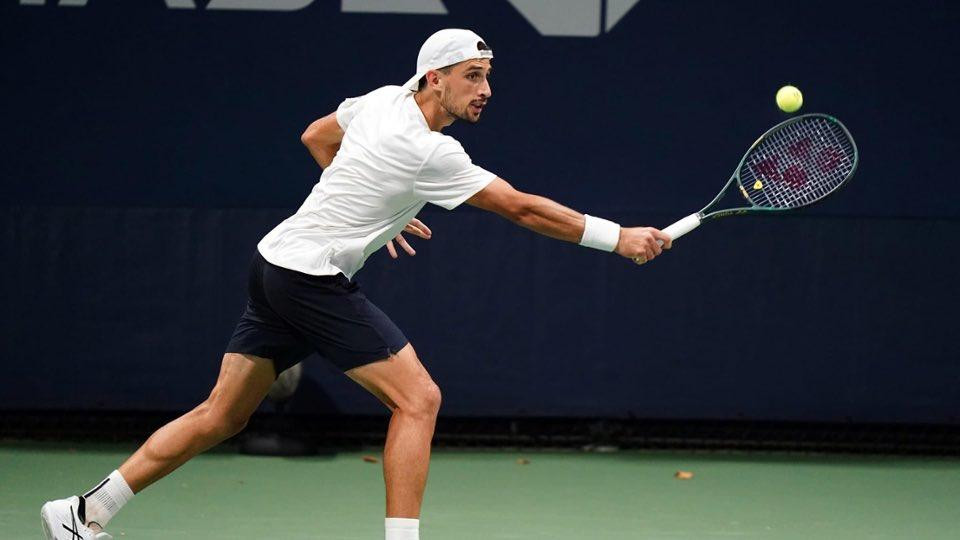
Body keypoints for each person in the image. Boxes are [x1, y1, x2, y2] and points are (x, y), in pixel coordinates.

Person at [40, 28, 671, 540]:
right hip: (310, 280)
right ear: (435, 79)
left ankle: (82, 512)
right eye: (471, 77)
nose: (485, 90)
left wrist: (371, 207)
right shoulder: (433, 153)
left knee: (221, 415)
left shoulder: (380, 100)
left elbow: (317, 136)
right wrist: (617, 237)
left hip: (273, 264)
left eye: (488, 76)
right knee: (418, 399)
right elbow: (521, 209)